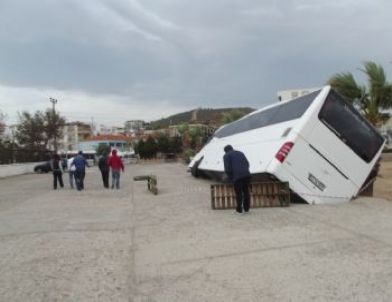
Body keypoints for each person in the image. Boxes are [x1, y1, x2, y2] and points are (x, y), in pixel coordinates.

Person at [223, 145, 251, 214]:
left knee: (239, 193)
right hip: (247, 174)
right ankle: (246, 209)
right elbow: (247, 163)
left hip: (237, 176)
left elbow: (227, 169)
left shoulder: (226, 155)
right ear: (232, 148)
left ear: (225, 151)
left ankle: (239, 210)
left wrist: (231, 178)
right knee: (246, 191)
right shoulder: (240, 153)